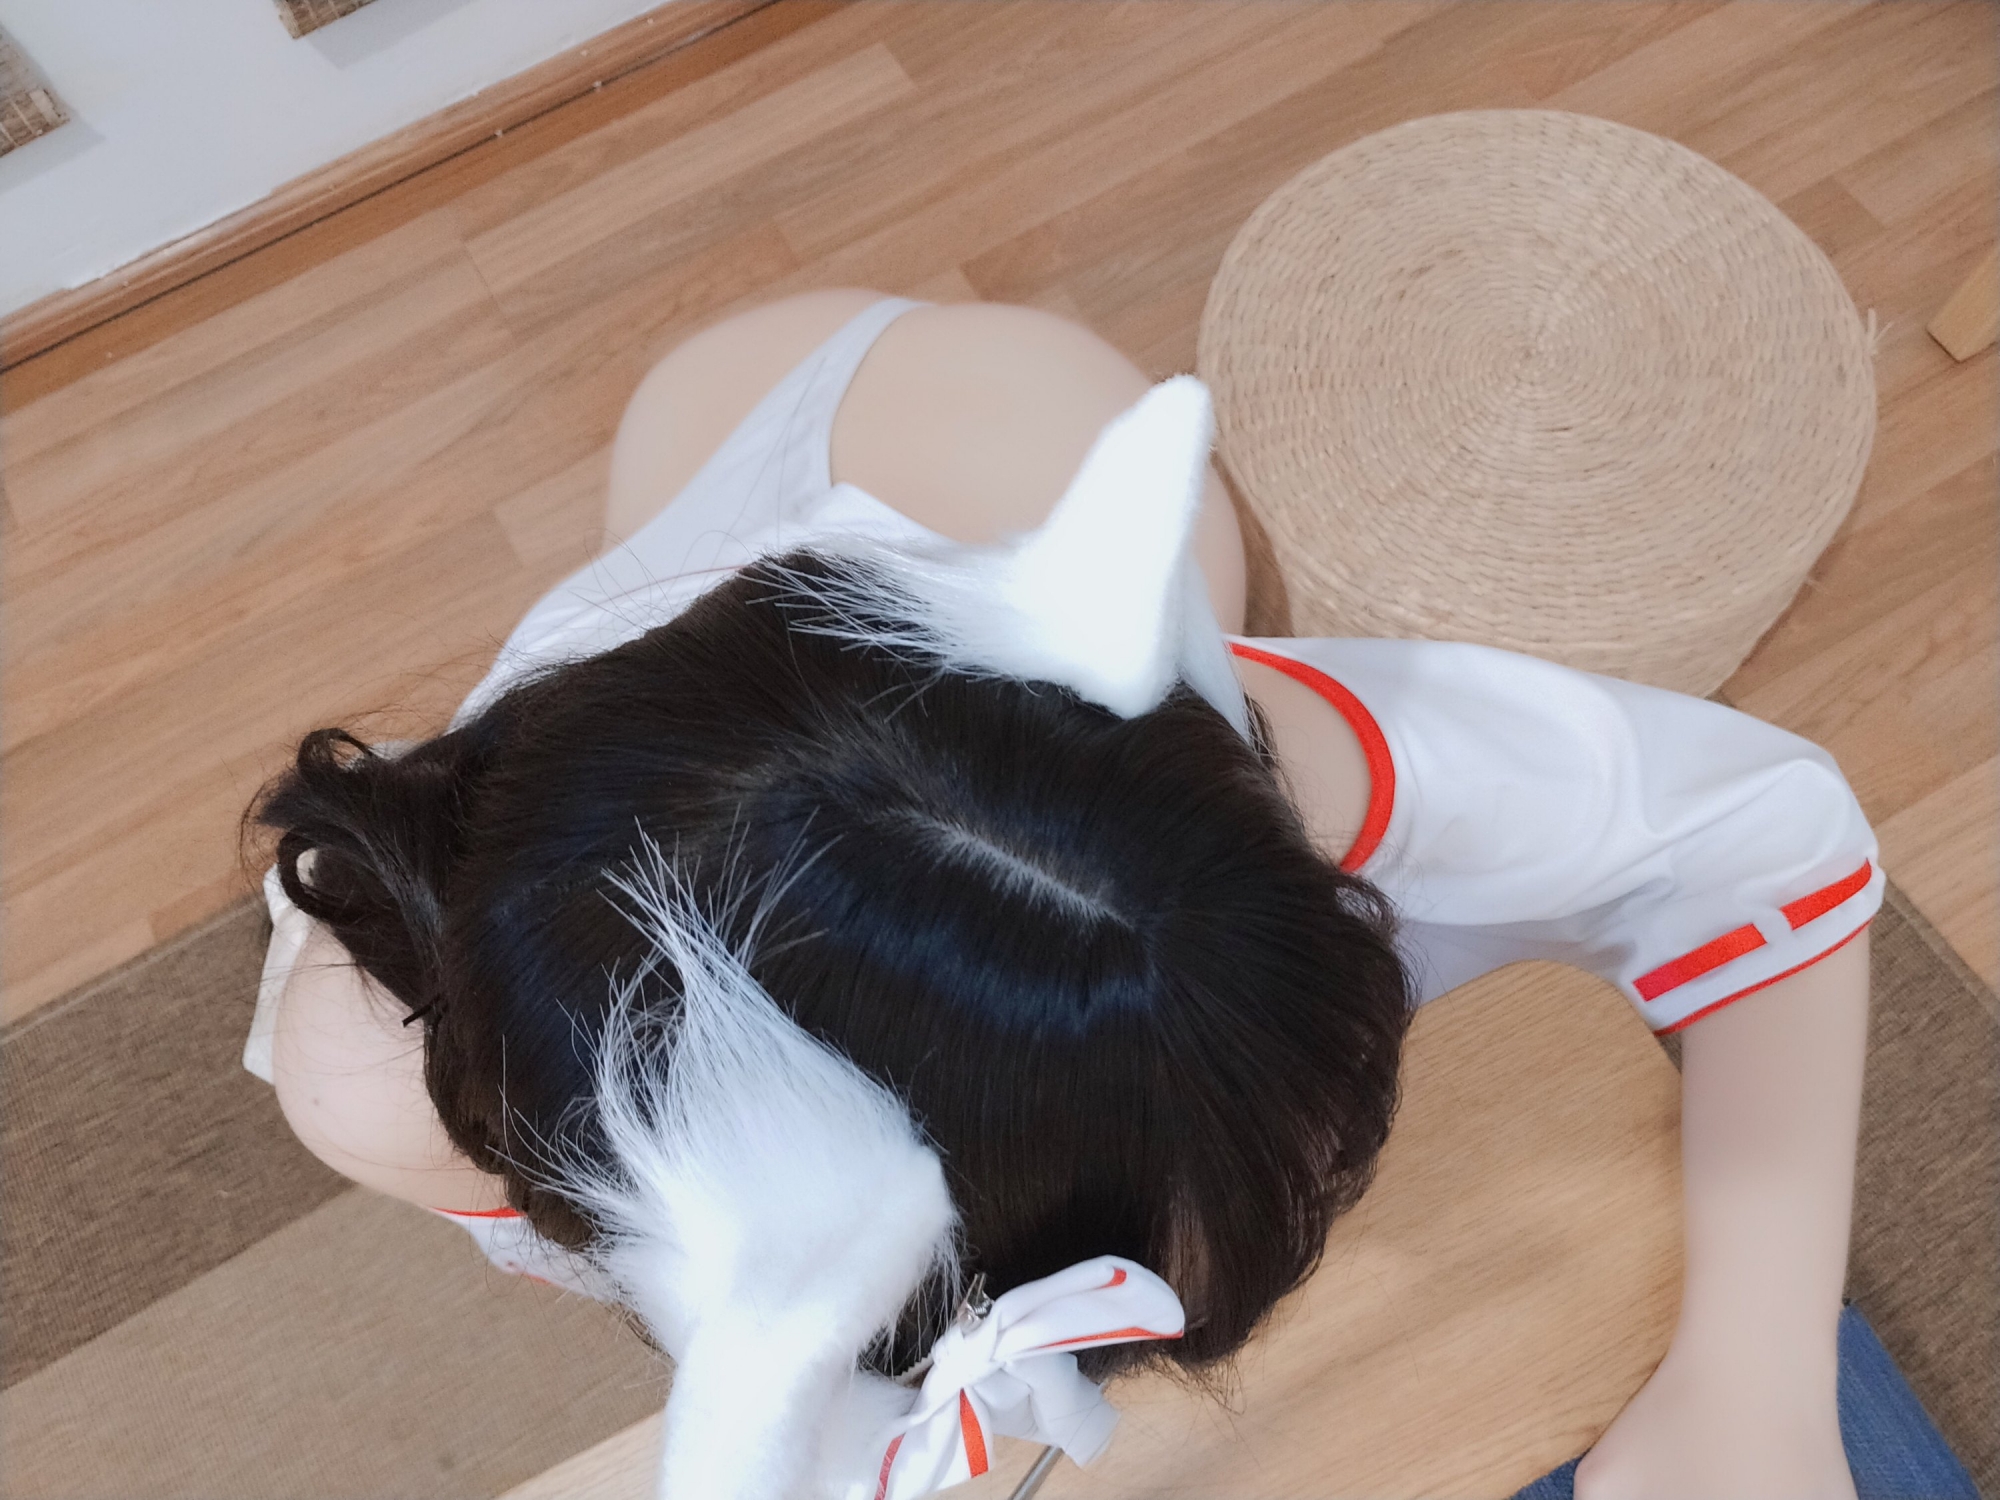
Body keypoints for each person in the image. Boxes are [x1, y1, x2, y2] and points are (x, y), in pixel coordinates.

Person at [244, 291, 1878, 1500]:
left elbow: (1771, 838)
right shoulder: (379, 1071)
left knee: (1171, 528)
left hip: (957, 418)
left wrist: (1760, 1377)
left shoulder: (1280, 755)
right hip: (707, 553)